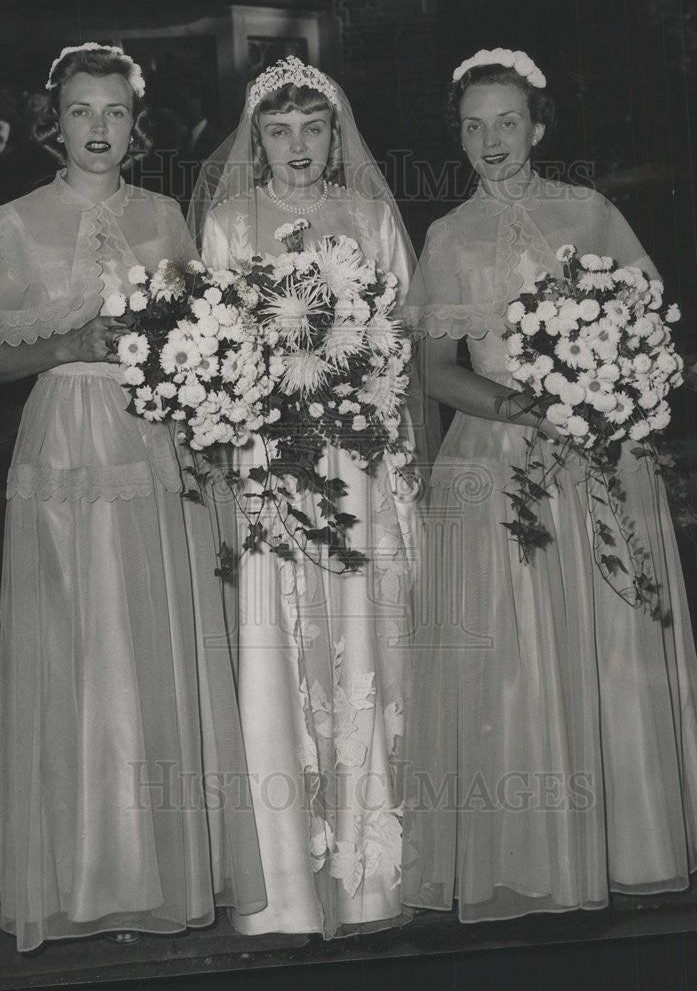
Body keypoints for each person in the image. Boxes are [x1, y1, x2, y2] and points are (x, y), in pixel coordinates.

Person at [402, 48, 697, 923]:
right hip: (498, 458)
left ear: (536, 126)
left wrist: (612, 391)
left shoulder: (592, 213)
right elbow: (436, 373)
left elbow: (650, 334)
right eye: (471, 126)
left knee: (609, 637)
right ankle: (532, 850)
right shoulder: (448, 237)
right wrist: (521, 405)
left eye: (505, 122)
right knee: (518, 653)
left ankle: (628, 838)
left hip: (600, 456)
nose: (489, 141)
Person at [0, 43, 265, 952]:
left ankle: (163, 869)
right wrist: (75, 339)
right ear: (53, 121)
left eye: (115, 112)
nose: (99, 129)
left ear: (135, 122)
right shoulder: (15, 223)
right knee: (79, 648)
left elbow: (207, 343)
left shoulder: (163, 221)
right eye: (81, 111)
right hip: (64, 442)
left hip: (155, 446)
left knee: (154, 643)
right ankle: (82, 876)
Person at [189, 55, 423, 937]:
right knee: (279, 640)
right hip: (270, 463)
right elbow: (211, 350)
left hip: (357, 460)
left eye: (312, 129)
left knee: (362, 640)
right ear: (257, 139)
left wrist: (366, 402)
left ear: (335, 136)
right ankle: (286, 882)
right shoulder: (226, 222)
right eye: (277, 132)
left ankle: (371, 875)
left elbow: (401, 342)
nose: (295, 147)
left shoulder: (367, 218)